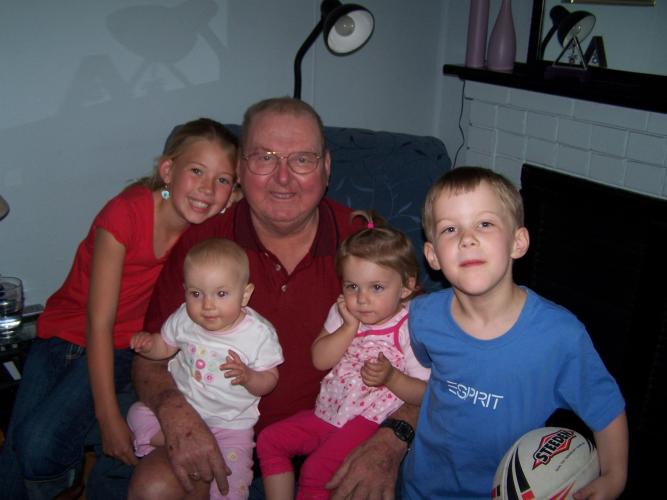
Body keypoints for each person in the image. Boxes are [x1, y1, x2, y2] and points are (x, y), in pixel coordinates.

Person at [126, 97, 369, 499]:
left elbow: (423, 357)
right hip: (220, 429)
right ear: (239, 169)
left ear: (326, 167)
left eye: (302, 160)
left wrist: (391, 438)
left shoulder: (364, 243)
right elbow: (150, 355)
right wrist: (177, 415)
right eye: (264, 158)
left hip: (332, 435)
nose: (283, 178)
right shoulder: (204, 244)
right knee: (155, 486)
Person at [0, 118, 238, 500]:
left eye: (222, 180)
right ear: (168, 171)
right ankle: (62, 479)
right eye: (197, 171)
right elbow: (99, 322)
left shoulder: (209, 223)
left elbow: (262, 200)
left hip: (126, 344)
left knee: (37, 443)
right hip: (67, 329)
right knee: (18, 447)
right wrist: (108, 416)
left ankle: (63, 480)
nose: (208, 189)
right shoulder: (126, 213)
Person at [401, 166, 629, 498]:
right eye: (450, 228)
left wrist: (614, 476)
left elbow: (605, 408)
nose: (467, 238)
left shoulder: (559, 336)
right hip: (420, 487)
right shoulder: (423, 316)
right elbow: (426, 369)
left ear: (517, 242)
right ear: (433, 255)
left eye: (485, 224)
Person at [257, 211, 430, 499]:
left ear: (406, 287)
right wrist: (348, 328)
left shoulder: (409, 326)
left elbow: (425, 393)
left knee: (315, 472)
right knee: (269, 440)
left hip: (369, 421)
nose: (361, 298)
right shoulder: (343, 313)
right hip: (329, 410)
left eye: (377, 287)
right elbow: (320, 359)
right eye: (352, 286)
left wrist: (391, 378)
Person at [128, 238, 283, 499]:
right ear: (185, 291)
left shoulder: (257, 333)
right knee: (137, 413)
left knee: (231, 485)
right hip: (186, 412)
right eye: (196, 294)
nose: (207, 305)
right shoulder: (184, 318)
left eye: (221, 294)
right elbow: (164, 347)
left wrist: (249, 377)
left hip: (231, 424)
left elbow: (270, 379)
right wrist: (148, 345)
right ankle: (171, 442)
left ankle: (205, 459)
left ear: (245, 294)